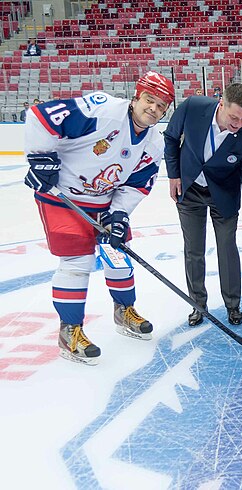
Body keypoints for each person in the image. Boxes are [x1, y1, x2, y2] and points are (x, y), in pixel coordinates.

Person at [23, 71, 175, 365]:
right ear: (136, 97)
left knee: (117, 255)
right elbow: (41, 116)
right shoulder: (103, 110)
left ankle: (124, 311)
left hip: (103, 202)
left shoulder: (154, 144)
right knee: (77, 262)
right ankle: (70, 331)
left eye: (161, 106)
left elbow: (136, 185)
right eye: (149, 100)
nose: (153, 109)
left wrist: (119, 216)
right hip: (62, 196)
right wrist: (40, 158)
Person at [164, 83, 242, 327]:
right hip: (189, 189)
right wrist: (174, 174)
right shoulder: (193, 107)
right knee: (194, 250)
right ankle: (197, 304)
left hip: (224, 196)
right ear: (221, 103)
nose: (239, 124)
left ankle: (233, 305)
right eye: (234, 117)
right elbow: (170, 137)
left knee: (226, 248)